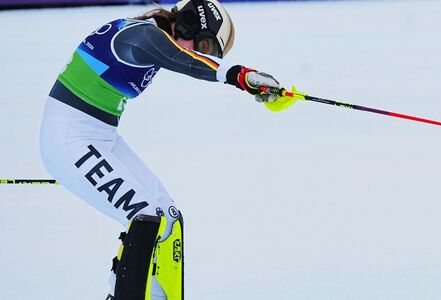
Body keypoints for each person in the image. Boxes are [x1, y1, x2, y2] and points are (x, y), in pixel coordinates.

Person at [38, 0, 300, 299]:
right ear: (188, 22)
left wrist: (239, 76)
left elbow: (182, 56)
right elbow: (183, 59)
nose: (200, 53)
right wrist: (240, 76)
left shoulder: (150, 37)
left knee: (167, 217)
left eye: (208, 51)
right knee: (146, 215)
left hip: (97, 135)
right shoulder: (139, 34)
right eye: (203, 44)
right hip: (68, 137)